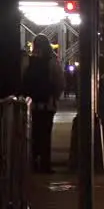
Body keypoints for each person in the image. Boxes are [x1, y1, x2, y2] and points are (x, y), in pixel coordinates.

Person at [23, 34, 65, 173]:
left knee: (33, 133)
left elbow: (23, 81)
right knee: (45, 134)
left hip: (31, 104)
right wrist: (55, 97)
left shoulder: (28, 61)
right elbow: (59, 82)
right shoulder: (52, 61)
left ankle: (32, 161)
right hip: (48, 104)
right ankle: (45, 164)